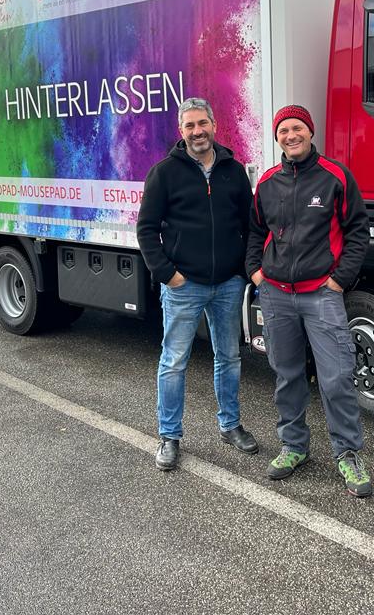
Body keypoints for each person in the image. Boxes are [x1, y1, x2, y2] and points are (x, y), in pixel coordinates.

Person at [246, 105, 373, 497]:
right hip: (276, 296)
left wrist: (339, 280)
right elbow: (255, 231)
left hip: (321, 294)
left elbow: (358, 231)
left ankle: (348, 454)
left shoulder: (335, 176)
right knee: (287, 375)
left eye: (297, 127)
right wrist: (255, 271)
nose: (291, 135)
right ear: (277, 137)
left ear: (310, 131)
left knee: (336, 378)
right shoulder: (268, 182)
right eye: (283, 130)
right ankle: (294, 446)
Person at [137, 98, 258, 471]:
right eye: (189, 125)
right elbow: (146, 229)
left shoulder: (233, 171)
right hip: (183, 285)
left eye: (202, 123)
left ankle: (230, 425)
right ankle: (169, 436)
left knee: (229, 357)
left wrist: (242, 269)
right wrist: (167, 274)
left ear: (214, 125)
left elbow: (250, 224)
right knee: (174, 361)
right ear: (181, 131)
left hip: (228, 284)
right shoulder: (164, 173)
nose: (197, 131)